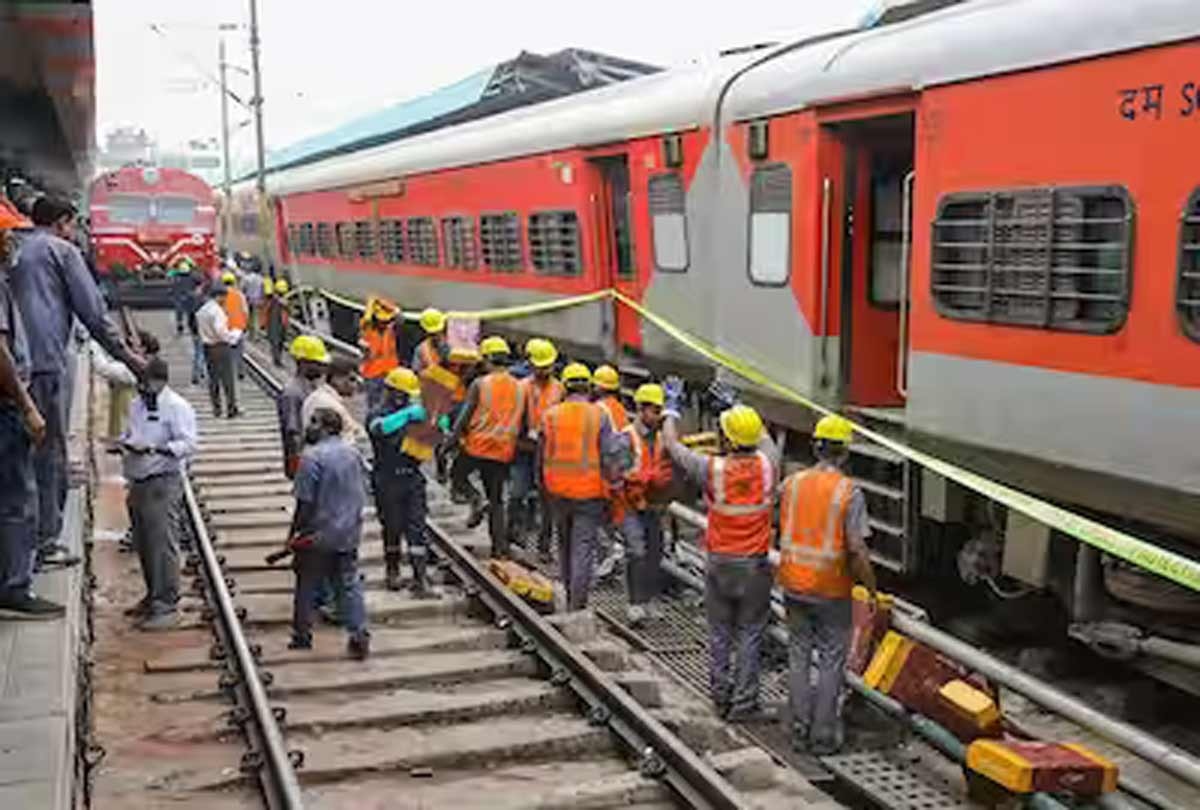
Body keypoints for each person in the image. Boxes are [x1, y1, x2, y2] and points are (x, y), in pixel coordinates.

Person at [11, 195, 145, 568]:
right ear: (62, 222)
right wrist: (130, 358)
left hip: (13, 365)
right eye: (72, 226)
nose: (74, 233)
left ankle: (20, 548)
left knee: (18, 455)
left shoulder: (15, 249)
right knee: (49, 452)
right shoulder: (62, 252)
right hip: (46, 364)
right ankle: (45, 543)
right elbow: (94, 315)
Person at [662, 384, 780, 721]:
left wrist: (672, 408)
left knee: (719, 632)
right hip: (754, 567)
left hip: (718, 563)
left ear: (726, 439)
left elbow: (671, 445)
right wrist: (739, 405)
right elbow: (765, 438)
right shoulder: (769, 465)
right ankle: (745, 704)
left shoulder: (711, 469)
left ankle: (719, 695)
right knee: (750, 632)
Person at [780, 414, 877, 755]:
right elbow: (857, 549)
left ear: (814, 447)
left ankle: (797, 729)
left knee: (799, 656)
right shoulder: (849, 492)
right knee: (832, 661)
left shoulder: (792, 483)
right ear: (845, 453)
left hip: (792, 583)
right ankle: (822, 737)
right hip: (831, 589)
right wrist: (871, 589)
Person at [0, 201, 57, 618]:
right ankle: (16, 586)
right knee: (18, 499)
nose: (13, 241)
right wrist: (27, 405)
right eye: (7, 234)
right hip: (5, 408)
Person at [116, 357, 197, 630]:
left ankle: (167, 605)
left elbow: (188, 443)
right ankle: (152, 596)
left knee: (162, 543)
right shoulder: (137, 404)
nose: (142, 389)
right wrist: (128, 443)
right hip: (137, 479)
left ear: (160, 382)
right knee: (144, 542)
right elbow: (129, 432)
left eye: (146, 384)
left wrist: (155, 449)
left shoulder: (177, 407)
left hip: (162, 481)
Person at [286, 407, 371, 660]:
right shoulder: (352, 453)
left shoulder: (311, 458)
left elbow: (305, 503)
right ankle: (359, 633)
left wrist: (294, 533)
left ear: (326, 428)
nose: (308, 426)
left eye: (314, 422)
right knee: (348, 582)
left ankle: (302, 635)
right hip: (348, 531)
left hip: (317, 534)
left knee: (306, 582)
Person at [538, 362, 623, 611]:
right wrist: (615, 489)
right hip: (589, 492)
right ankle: (577, 605)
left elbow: (540, 456)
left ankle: (566, 590)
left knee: (563, 543)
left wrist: (541, 486)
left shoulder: (550, 415)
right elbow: (610, 456)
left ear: (565, 386)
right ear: (589, 387)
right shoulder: (600, 415)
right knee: (583, 548)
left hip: (557, 490)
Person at [448, 336, 525, 559]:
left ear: (487, 360)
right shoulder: (520, 387)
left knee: (458, 477)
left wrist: (450, 441)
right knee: (497, 501)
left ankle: (475, 499)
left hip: (477, 446)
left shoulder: (480, 384)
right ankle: (499, 549)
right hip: (503, 451)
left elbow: (465, 416)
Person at [368, 367, 441, 595]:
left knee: (416, 528)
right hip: (387, 479)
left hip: (411, 478)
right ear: (391, 392)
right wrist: (406, 417)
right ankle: (393, 572)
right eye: (401, 394)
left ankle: (420, 579)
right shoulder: (379, 414)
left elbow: (427, 445)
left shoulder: (415, 414)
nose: (405, 398)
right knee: (391, 527)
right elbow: (376, 429)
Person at [617, 384, 674, 625]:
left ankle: (650, 600)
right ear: (641, 409)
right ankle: (635, 603)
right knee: (636, 552)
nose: (658, 415)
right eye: (654, 410)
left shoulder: (662, 439)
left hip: (653, 505)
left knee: (654, 554)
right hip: (630, 504)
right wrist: (647, 480)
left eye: (660, 410)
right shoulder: (625, 437)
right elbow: (618, 473)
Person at [511, 338, 562, 559]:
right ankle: (515, 532)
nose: (543, 370)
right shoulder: (521, 388)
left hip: (548, 451)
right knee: (517, 493)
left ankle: (543, 546)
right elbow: (513, 418)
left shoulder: (559, 389)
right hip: (523, 448)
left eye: (547, 366)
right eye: (540, 366)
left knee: (547, 501)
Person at [278, 335, 330, 479]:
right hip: (306, 460)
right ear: (303, 363)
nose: (322, 367)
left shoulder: (310, 387)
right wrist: (301, 467)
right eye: (317, 363)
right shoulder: (292, 393)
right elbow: (294, 433)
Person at [195, 280, 241, 418]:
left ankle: (217, 408)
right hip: (220, 347)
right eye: (224, 297)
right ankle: (231, 408)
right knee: (227, 379)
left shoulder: (202, 311)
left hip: (207, 347)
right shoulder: (217, 312)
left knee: (213, 379)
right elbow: (221, 332)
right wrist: (233, 336)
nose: (225, 300)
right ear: (219, 296)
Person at [301, 357, 364, 443]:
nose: (355, 385)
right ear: (337, 379)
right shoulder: (328, 403)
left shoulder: (324, 397)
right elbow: (347, 438)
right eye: (352, 379)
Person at [358, 296, 401, 415]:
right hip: (372, 374)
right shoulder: (367, 328)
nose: (384, 323)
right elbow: (367, 316)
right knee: (374, 406)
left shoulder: (390, 329)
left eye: (386, 321)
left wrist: (384, 303)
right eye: (382, 321)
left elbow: (398, 315)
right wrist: (372, 302)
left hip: (390, 372)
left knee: (390, 404)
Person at [221, 271, 249, 380]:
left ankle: (229, 372)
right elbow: (245, 311)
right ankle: (240, 371)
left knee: (227, 352)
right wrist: (245, 325)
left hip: (226, 327)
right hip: (238, 327)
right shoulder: (240, 295)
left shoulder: (221, 296)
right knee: (239, 352)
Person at [412, 307, 448, 373]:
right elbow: (416, 371)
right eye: (433, 334)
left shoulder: (449, 345)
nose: (436, 336)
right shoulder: (421, 349)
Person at [592, 365, 628, 430]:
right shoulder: (620, 408)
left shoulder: (599, 408)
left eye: (595, 385)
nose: (594, 388)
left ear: (601, 388)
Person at [169, 257, 195, 335]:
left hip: (180, 297)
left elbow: (170, 273)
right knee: (190, 312)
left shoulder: (175, 276)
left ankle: (181, 325)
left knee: (181, 312)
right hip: (187, 297)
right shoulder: (192, 276)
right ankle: (190, 327)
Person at [267, 278, 290, 367]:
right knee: (278, 343)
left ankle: (277, 359)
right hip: (279, 325)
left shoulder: (275, 302)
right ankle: (277, 360)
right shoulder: (282, 303)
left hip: (277, 325)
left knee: (277, 343)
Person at [243, 264, 264, 339]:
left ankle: (248, 333)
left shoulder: (247, 278)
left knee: (247, 316)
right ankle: (256, 335)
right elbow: (262, 290)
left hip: (248, 299)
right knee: (256, 318)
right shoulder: (261, 279)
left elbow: (243, 288)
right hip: (257, 300)